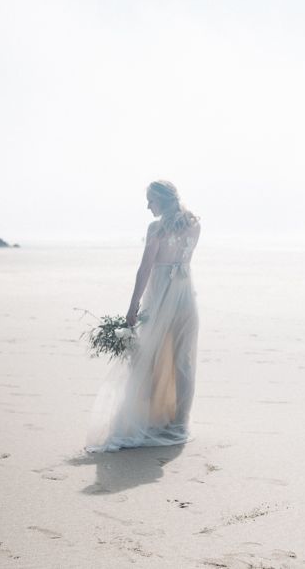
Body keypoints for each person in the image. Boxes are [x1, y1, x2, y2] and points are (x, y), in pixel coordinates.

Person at [85, 180, 201, 452]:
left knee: (147, 359)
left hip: (161, 298)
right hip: (186, 298)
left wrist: (133, 305)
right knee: (184, 362)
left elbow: (145, 268)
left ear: (161, 200)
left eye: (150, 200)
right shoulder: (194, 223)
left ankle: (149, 420)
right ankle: (179, 424)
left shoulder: (156, 228)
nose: (148, 205)